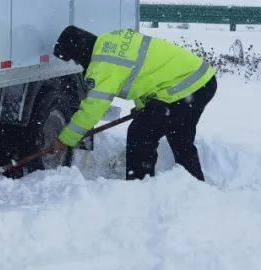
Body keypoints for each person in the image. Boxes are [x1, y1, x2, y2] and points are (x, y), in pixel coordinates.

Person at [52, 25, 216, 181]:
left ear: (78, 51)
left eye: (75, 59)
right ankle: (194, 185)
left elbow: (92, 110)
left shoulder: (102, 66)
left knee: (140, 134)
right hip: (200, 79)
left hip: (185, 87)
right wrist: (144, 107)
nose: (78, 64)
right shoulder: (109, 41)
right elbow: (144, 76)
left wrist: (65, 139)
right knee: (179, 136)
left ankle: (139, 187)